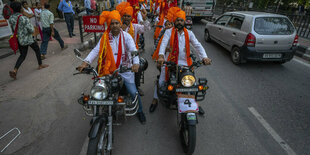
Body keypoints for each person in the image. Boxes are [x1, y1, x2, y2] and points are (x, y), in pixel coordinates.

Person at [77, 10, 146, 124]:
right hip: (108, 70)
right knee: (99, 91)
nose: (114, 26)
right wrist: (85, 62)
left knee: (133, 92)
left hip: (125, 69)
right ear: (109, 25)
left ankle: (140, 111)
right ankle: (97, 114)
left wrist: (136, 63)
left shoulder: (127, 36)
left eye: (116, 23)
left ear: (120, 24)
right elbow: (96, 50)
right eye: (112, 23)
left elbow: (134, 50)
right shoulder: (105, 37)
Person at [149, 7, 212, 114]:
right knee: (161, 81)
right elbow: (163, 43)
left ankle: (195, 103)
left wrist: (204, 57)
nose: (179, 22)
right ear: (174, 21)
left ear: (184, 22)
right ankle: (155, 100)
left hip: (186, 63)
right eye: (177, 20)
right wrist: (161, 56)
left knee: (192, 83)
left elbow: (197, 45)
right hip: (170, 62)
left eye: (181, 20)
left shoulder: (189, 33)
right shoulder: (169, 32)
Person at [116, 2, 150, 96]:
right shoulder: (116, 28)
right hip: (119, 55)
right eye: (125, 16)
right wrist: (121, 30)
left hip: (132, 54)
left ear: (131, 17)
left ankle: (137, 86)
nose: (126, 18)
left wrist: (145, 18)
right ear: (122, 17)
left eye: (128, 16)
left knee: (138, 68)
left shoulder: (135, 27)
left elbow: (147, 28)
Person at [8, 1, 48, 80]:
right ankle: (40, 65)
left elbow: (13, 29)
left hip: (19, 39)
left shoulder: (11, 18)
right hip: (28, 39)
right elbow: (31, 30)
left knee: (22, 55)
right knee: (37, 50)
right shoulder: (23, 18)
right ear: (20, 8)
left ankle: (15, 70)